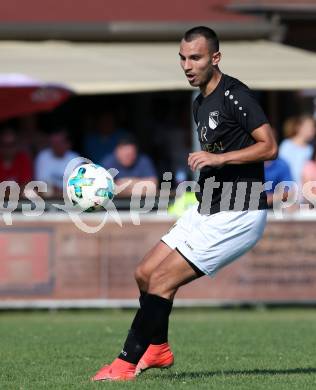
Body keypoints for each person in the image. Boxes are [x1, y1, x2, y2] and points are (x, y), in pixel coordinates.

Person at [92, 26, 277, 382]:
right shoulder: (200, 103)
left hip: (239, 212)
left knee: (162, 280)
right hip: (208, 207)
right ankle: (158, 349)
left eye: (196, 57)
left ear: (215, 58)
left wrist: (219, 160)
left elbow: (269, 146)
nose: (188, 65)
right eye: (183, 58)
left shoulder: (235, 96)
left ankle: (125, 364)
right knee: (145, 273)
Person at [34, 128, 79, 197]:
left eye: (59, 143)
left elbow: (78, 186)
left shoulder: (76, 159)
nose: (55, 146)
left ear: (68, 144)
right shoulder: (43, 156)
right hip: (48, 197)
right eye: (53, 143)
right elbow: (41, 184)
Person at [279, 115, 315, 190]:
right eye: (310, 127)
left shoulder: (310, 149)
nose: (313, 130)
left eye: (313, 128)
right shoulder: (286, 145)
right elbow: (281, 168)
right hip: (288, 190)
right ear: (299, 127)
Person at [0, 126, 32, 194]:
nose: (8, 149)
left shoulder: (23, 158)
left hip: (19, 200)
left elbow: (26, 186)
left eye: (12, 144)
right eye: (5, 145)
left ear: (17, 145)